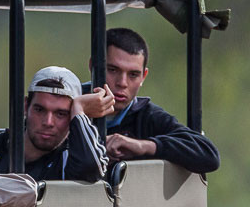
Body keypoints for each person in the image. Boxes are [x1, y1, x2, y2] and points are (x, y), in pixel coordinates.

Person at [92, 27, 219, 174]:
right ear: (93, 66)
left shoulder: (148, 117)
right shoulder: (68, 105)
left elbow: (209, 155)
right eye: (113, 70)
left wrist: (144, 146)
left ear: (143, 77)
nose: (122, 83)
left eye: (133, 74)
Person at [0, 66, 112, 182]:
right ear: (25, 106)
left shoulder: (68, 160)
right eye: (39, 110)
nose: (48, 122)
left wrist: (79, 109)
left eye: (60, 114)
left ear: (72, 117)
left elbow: (91, 168)